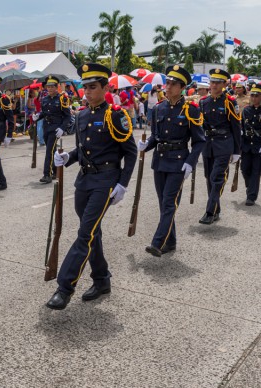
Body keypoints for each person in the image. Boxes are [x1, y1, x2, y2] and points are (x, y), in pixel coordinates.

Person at [46, 63, 136, 310]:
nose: (87, 91)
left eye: (93, 87)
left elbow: (130, 153)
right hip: (84, 181)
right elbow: (82, 150)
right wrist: (68, 158)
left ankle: (64, 288)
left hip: (106, 181)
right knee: (92, 233)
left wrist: (123, 184)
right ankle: (102, 279)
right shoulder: (82, 115)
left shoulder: (116, 115)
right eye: (85, 87)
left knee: (85, 234)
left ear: (106, 87)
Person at [137, 66, 205, 257]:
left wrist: (190, 162)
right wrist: (146, 145)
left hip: (178, 162)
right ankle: (171, 241)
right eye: (167, 83)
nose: (168, 87)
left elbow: (200, 141)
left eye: (173, 84)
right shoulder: (159, 108)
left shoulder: (191, 110)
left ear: (182, 87)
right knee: (164, 203)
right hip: (160, 161)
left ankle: (158, 242)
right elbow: (156, 137)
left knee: (169, 202)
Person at [198, 68, 241, 225]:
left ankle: (209, 211)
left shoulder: (229, 102)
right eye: (212, 82)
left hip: (224, 143)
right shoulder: (203, 102)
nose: (214, 85)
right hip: (208, 144)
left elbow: (236, 127)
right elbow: (200, 126)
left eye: (217, 82)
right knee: (209, 178)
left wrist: (237, 151)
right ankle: (216, 209)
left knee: (216, 177)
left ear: (224, 84)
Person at [32, 75, 72, 184]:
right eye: (48, 87)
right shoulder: (45, 99)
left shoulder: (62, 98)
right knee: (52, 151)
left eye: (52, 87)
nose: (49, 89)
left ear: (56, 87)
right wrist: (38, 116)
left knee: (49, 151)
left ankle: (47, 175)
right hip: (46, 127)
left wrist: (62, 128)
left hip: (56, 128)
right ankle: (55, 171)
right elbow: (44, 113)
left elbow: (67, 116)